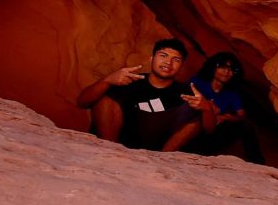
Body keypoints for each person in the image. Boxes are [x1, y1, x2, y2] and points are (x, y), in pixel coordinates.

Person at [76, 37, 216, 152]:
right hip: (121, 144)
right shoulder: (129, 80)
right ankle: (109, 151)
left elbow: (210, 130)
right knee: (105, 98)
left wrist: (206, 108)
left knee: (197, 114)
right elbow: (82, 102)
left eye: (176, 59)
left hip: (158, 150)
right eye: (163, 56)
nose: (168, 62)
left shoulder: (187, 92)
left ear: (181, 66)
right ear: (151, 59)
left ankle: (163, 160)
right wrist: (107, 80)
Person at [189, 51, 265, 164]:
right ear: (213, 67)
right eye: (223, 67)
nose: (227, 72)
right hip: (193, 132)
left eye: (231, 69)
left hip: (212, 136)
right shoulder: (197, 83)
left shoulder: (231, 94)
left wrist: (226, 117)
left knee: (246, 126)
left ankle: (258, 164)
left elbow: (242, 116)